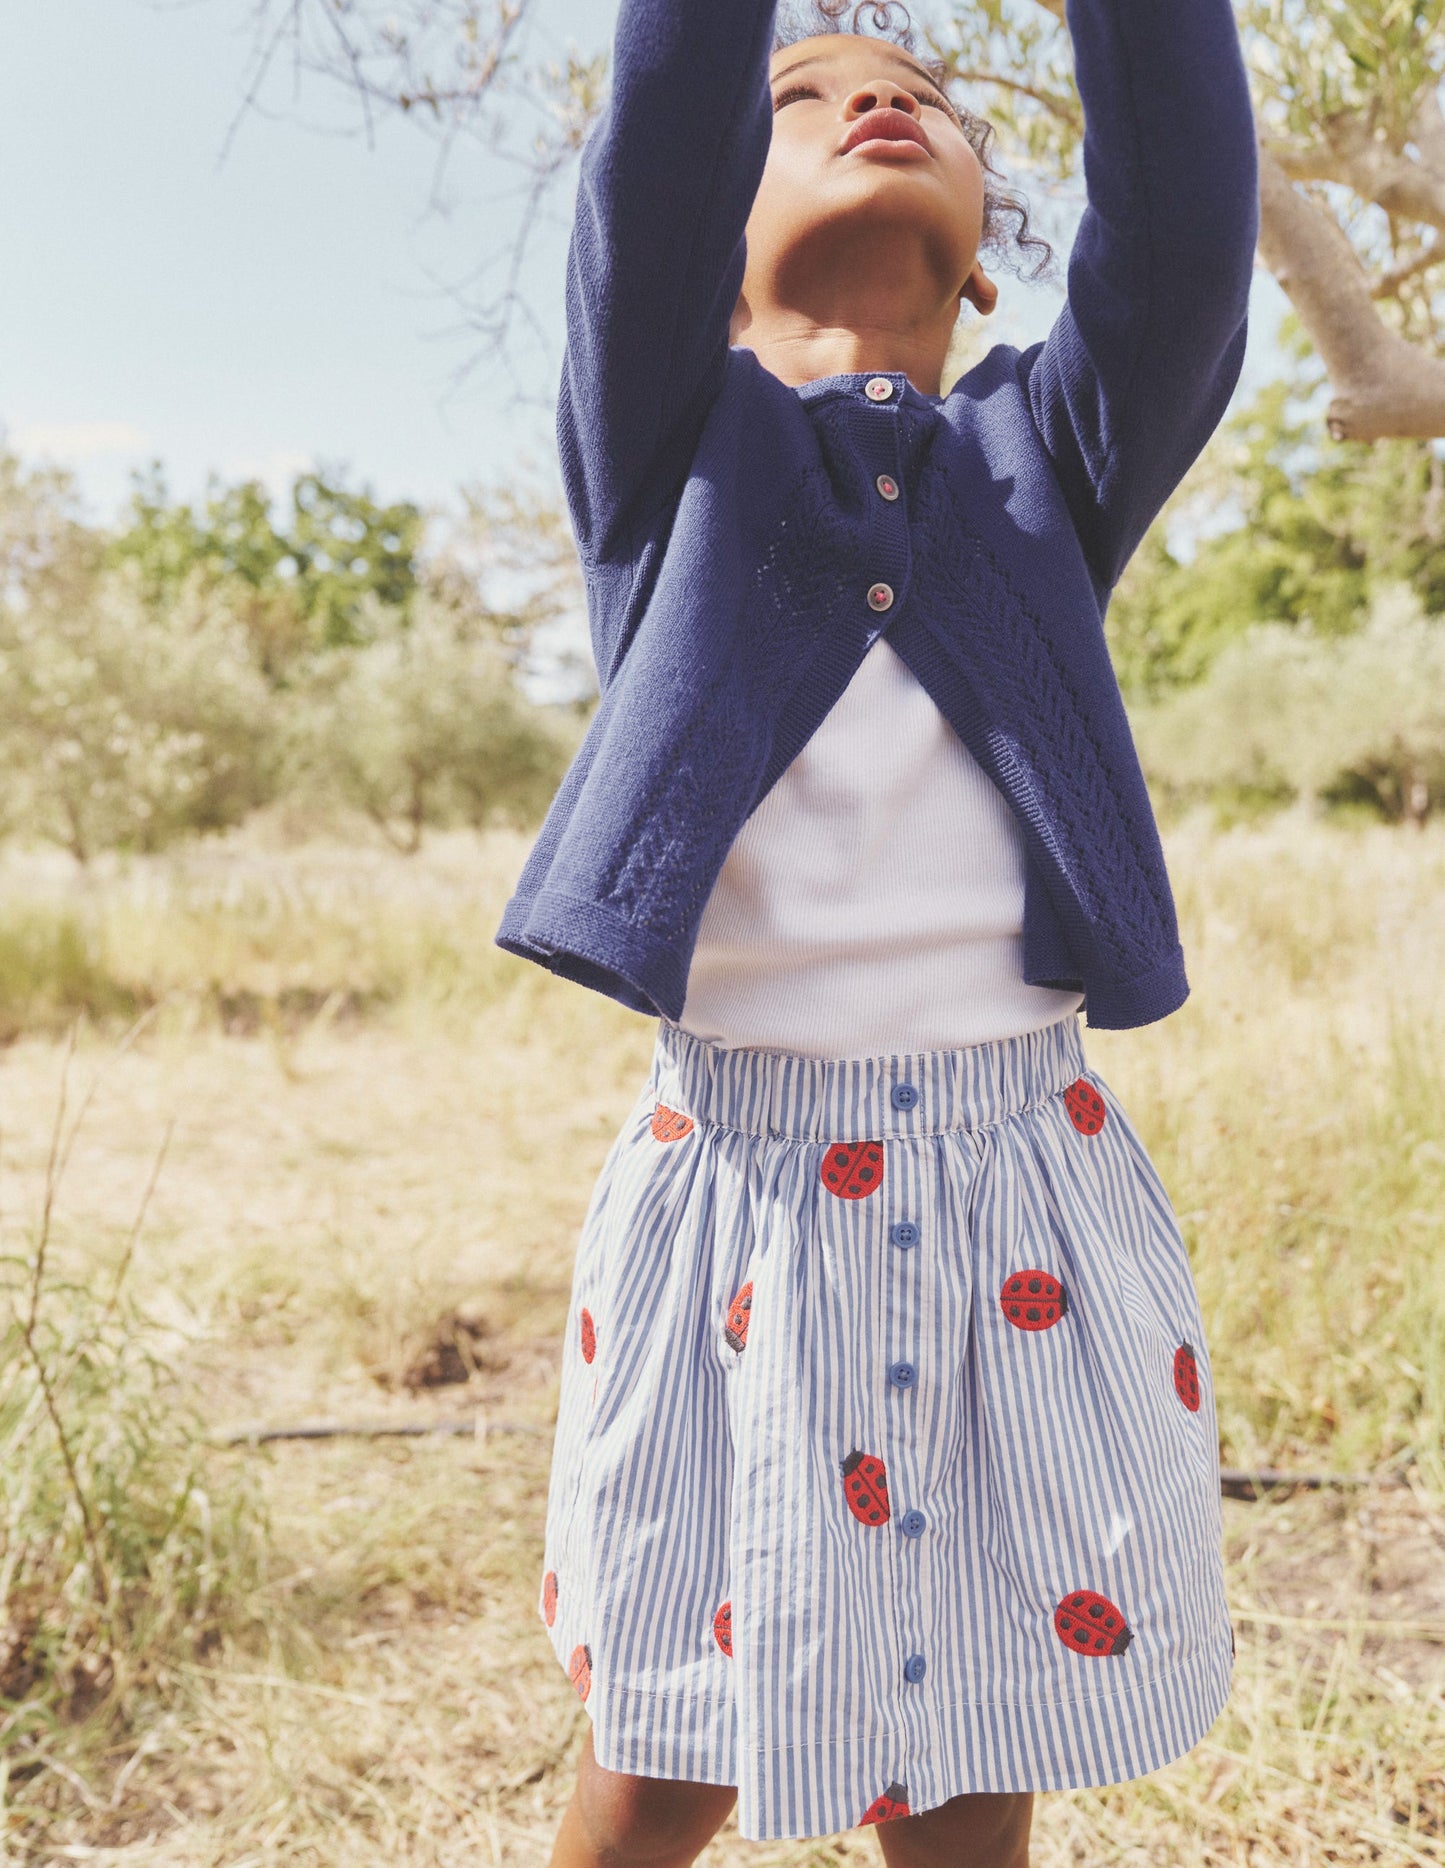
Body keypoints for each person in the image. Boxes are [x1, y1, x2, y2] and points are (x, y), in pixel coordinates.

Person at [496, 0, 1259, 1857]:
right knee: (671, 1729)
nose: (873, 105)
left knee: (980, 1698)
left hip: (1020, 1180)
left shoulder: (1044, 458)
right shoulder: (667, 446)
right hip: (739, 1195)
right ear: (710, 253)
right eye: (807, 95)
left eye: (920, 95)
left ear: (994, 246)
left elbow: (1179, 224)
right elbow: (660, 139)